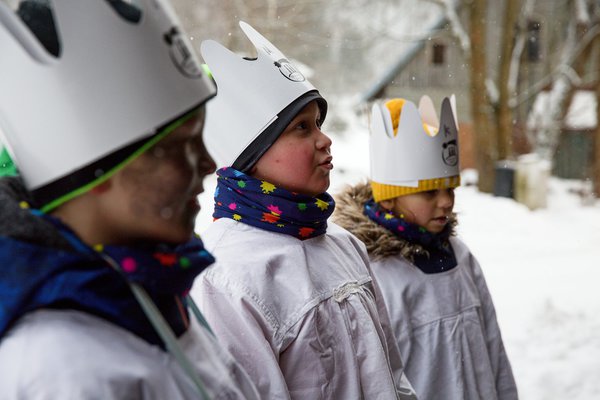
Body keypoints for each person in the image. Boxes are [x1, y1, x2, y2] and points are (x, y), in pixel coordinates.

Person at [0, 1, 260, 399]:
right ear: (99, 171)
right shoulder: (60, 367)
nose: (209, 163)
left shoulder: (159, 287)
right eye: (179, 147)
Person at [191, 21, 417, 400]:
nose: (325, 139)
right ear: (252, 154)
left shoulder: (344, 245)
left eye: (319, 123)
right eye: (301, 127)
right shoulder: (225, 275)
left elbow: (392, 378)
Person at [333, 96, 519, 399]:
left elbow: (493, 348)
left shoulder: (461, 257)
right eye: (430, 192)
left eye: (450, 189)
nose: (446, 201)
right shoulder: (373, 273)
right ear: (389, 198)